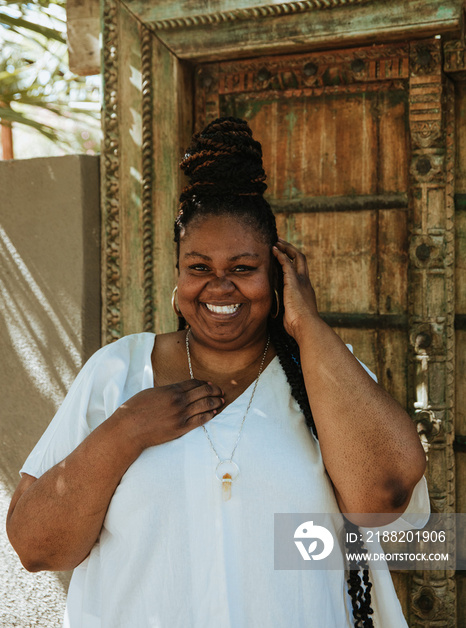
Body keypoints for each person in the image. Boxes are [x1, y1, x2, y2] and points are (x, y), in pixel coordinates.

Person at [7, 117, 428, 628]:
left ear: (277, 274)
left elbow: (381, 499)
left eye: (244, 269)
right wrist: (127, 430)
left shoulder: (327, 376)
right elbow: (35, 548)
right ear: (178, 275)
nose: (219, 286)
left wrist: (307, 324)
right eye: (199, 267)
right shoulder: (117, 372)